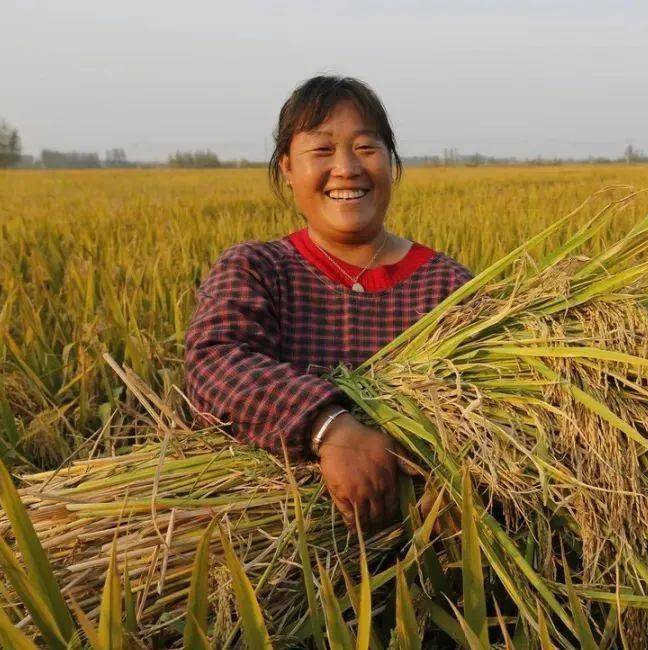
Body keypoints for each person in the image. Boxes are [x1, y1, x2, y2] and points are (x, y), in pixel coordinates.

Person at [184, 76, 473, 533]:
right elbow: (214, 363)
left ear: (391, 161)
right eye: (321, 151)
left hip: (431, 553)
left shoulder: (449, 288)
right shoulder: (258, 269)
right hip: (284, 553)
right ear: (287, 168)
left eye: (365, 148)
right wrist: (329, 428)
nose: (346, 168)